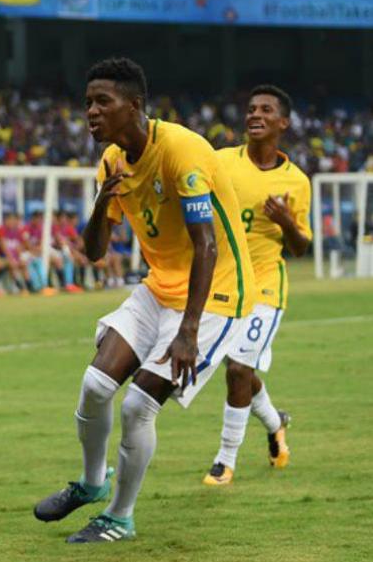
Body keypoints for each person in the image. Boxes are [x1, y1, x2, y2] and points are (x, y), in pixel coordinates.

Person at [33, 57, 256, 543]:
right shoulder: (112, 161)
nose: (91, 112)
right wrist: (100, 204)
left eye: (103, 102)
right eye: (88, 102)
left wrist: (188, 332)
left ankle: (120, 516)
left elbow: (207, 245)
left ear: (134, 105)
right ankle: (93, 485)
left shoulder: (182, 151)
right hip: (160, 287)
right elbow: (94, 253)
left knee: (137, 406)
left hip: (215, 293)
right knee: (94, 386)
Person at [202, 85, 310, 485]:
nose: (255, 115)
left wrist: (285, 221)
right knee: (236, 370)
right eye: (250, 109)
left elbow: (299, 247)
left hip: (265, 285)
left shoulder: (296, 181)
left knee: (238, 368)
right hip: (224, 282)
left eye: (266, 109)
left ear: (283, 122)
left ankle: (224, 460)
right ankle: (274, 422)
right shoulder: (221, 161)